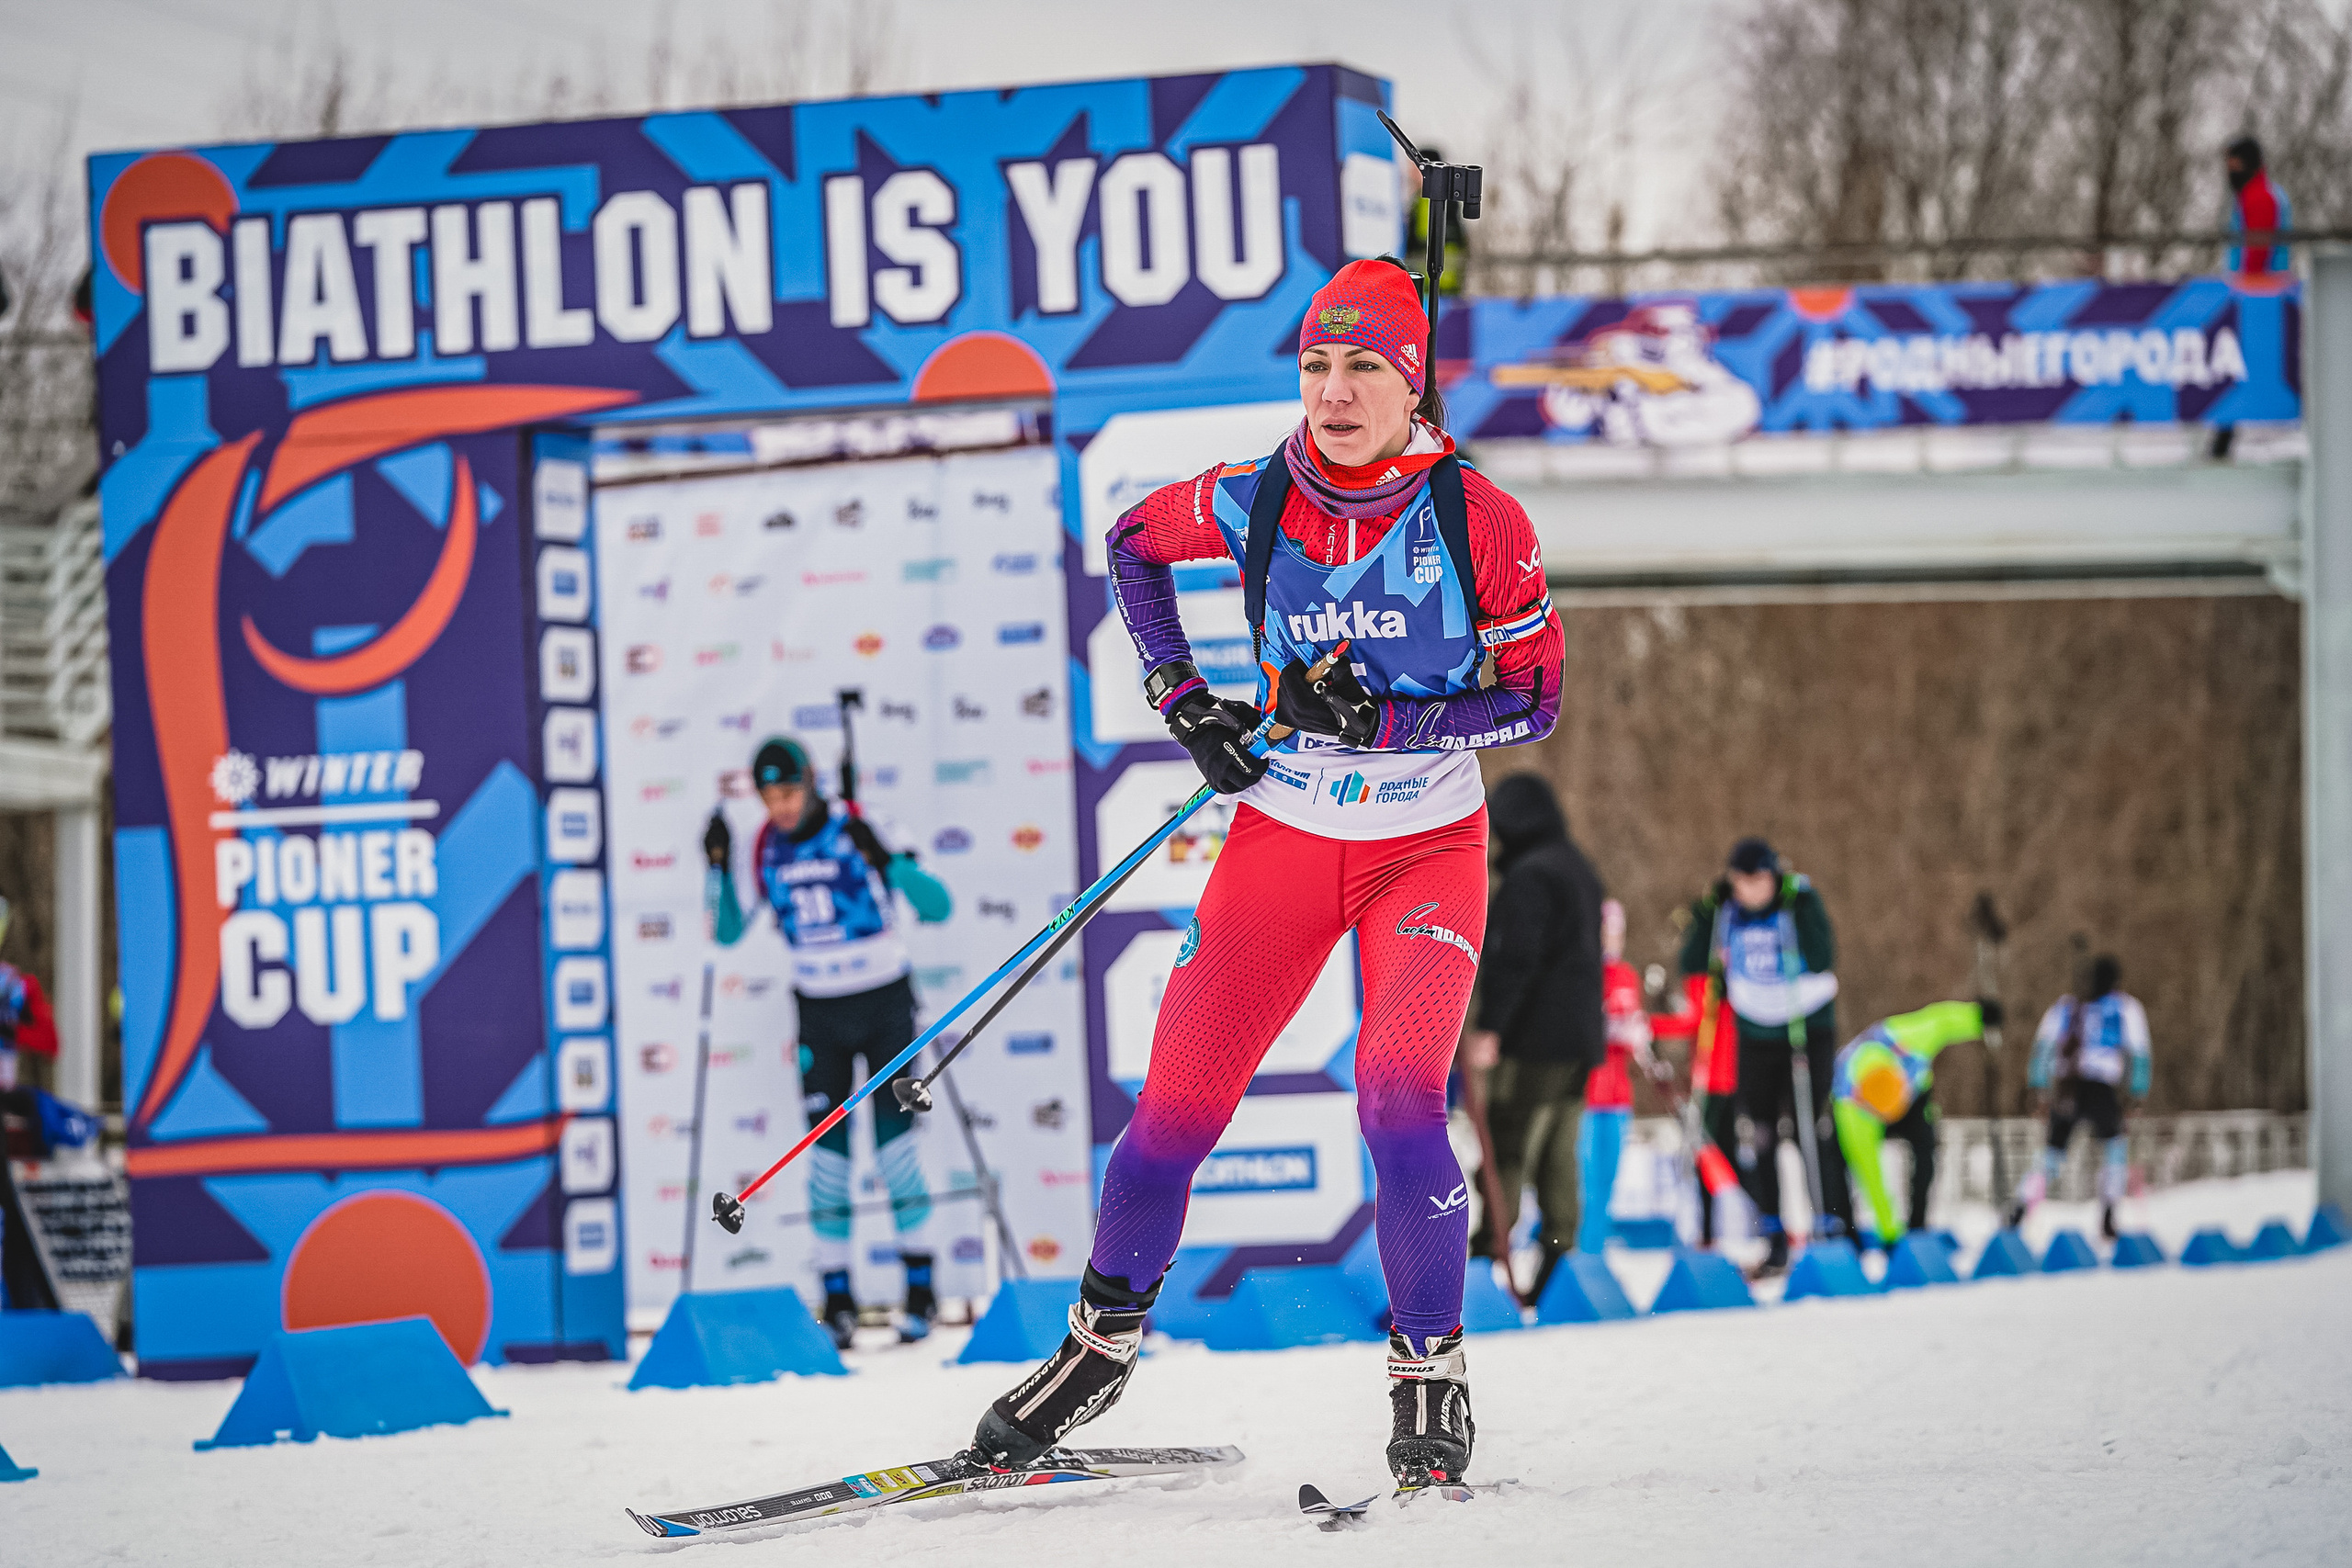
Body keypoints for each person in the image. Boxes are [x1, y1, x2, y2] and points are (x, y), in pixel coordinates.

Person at [972, 256, 1562, 1492]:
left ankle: (1429, 1370)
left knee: (1399, 1092)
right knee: (1166, 1125)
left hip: (1423, 846)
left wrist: (1389, 728)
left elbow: (1537, 698)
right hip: (1282, 837)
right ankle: (1097, 1348)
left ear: (1414, 382)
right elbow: (1130, 544)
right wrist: (1187, 704)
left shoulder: (1480, 517)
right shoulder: (1257, 496)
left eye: (1365, 368)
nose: (1337, 394)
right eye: (1316, 366)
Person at [705, 736, 954, 1346]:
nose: (782, 806)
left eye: (789, 791)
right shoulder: (765, 843)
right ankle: (837, 1296)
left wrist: (886, 858)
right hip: (819, 1011)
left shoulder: (860, 823)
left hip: (885, 1003)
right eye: (769, 796)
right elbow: (730, 933)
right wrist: (717, 867)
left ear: (812, 781)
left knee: (896, 1153)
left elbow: (937, 904)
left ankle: (920, 1288)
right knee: (827, 1158)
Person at [1677, 837, 1848, 1274]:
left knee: (1814, 1127)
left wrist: (1801, 905)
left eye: (1759, 881)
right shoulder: (1724, 911)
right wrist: (1705, 911)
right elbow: (1693, 963)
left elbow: (1823, 957)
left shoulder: (1798, 902)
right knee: (1762, 1134)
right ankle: (1774, 1237)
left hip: (1804, 1028)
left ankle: (1833, 1226)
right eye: (1741, 882)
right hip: (1754, 1033)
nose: (1751, 891)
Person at [1462, 773, 1602, 1293]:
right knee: (1558, 1149)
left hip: (1537, 1039)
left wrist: (1492, 1027)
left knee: (1508, 1143)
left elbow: (1515, 959)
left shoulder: (1532, 877)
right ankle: (1560, 1264)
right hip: (1581, 1037)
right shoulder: (1577, 868)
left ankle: (1483, 1262)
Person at [2006, 955, 2150, 1239]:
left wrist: (2039, 1087)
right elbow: (2140, 1053)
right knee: (2115, 1150)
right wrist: (2137, 1094)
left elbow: (2043, 1048)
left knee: (2051, 1153)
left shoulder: (2067, 1007)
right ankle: (2108, 1215)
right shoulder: (2125, 1007)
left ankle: (2019, 1210)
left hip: (2067, 1088)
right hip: (2102, 1089)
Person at [1828, 1000, 1990, 1247]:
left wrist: (1979, 1017)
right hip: (1865, 1112)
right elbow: (1871, 1175)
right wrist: (1890, 1234)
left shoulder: (1907, 1038)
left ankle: (1917, 1225)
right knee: (1840, 1158)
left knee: (1926, 1149)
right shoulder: (1850, 1108)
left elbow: (1943, 1020)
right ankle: (1846, 1232)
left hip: (1913, 1096)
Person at [1577, 898, 1654, 1255]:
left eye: (1617, 934)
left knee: (1608, 1183)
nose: (1612, 941)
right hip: (1586, 1096)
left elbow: (1635, 1024)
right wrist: (1607, 1027)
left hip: (1618, 1096)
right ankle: (1577, 1254)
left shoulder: (1626, 975)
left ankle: (1596, 1254)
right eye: (1606, 933)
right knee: (1585, 1183)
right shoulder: (1581, 973)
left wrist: (1638, 1034)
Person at [2226, 134, 2291, 281]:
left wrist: (2248, 284)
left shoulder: (2259, 196)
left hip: (2260, 288)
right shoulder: (2260, 193)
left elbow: (2258, 249)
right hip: (2262, 284)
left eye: (2233, 163)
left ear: (2246, 163)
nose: (2229, 170)